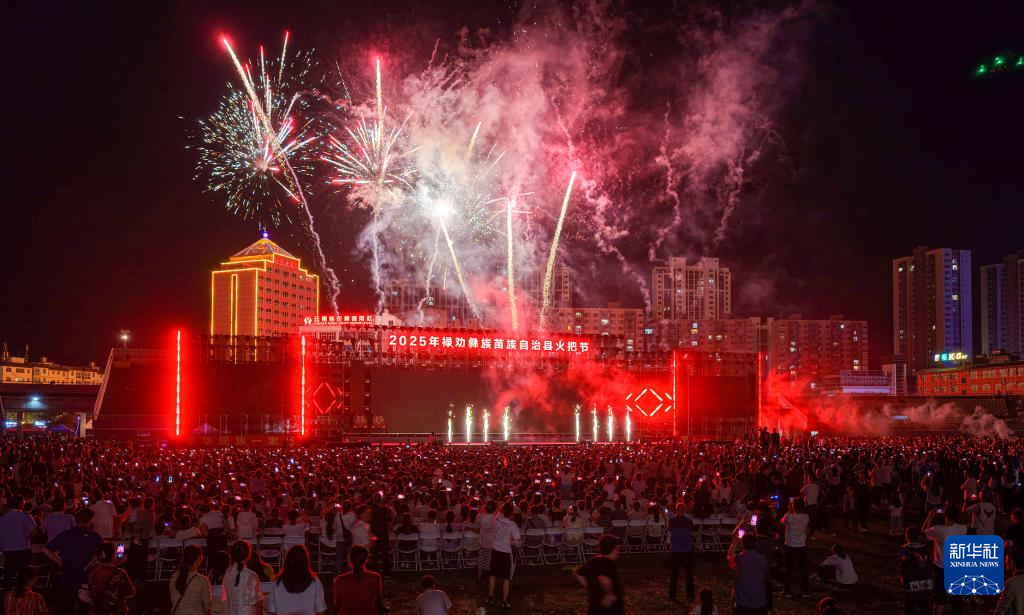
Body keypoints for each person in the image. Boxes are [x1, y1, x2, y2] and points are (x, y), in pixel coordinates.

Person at [45, 507, 104, 614]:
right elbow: (101, 554)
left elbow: (47, 549)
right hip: (85, 578)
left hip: (66, 576)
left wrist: (58, 560)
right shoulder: (94, 537)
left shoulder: (65, 534)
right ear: (90, 520)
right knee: (85, 608)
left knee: (65, 608)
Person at [923, 507, 966, 615]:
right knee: (957, 597)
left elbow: (924, 531)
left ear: (945, 516)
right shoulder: (963, 528)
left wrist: (930, 516)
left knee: (940, 597)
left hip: (941, 567)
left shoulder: (938, 529)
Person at [266, 545, 327, 615]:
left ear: (287, 561)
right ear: (306, 562)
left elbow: (271, 610)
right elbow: (320, 610)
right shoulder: (314, 582)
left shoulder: (277, 583)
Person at [573, 534, 624, 615]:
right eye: (618, 548)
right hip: (609, 608)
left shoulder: (592, 561)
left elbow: (577, 574)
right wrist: (609, 595)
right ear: (614, 549)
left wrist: (590, 586)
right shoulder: (608, 564)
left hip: (594, 606)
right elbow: (603, 579)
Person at [487, 502, 522, 610]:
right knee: (506, 578)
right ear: (512, 513)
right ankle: (504, 601)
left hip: (495, 550)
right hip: (506, 552)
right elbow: (517, 542)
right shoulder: (512, 525)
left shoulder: (496, 520)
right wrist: (511, 542)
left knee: (492, 574)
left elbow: (498, 512)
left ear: (502, 511)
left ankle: (490, 597)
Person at [86, 541, 136, 615]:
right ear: (113, 556)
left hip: (96, 610)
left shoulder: (92, 572)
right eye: (115, 553)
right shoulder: (119, 573)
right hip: (115, 611)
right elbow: (130, 595)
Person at [332, 545, 383, 615]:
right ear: (366, 559)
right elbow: (379, 601)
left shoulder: (339, 580)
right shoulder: (375, 577)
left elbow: (337, 606)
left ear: (349, 559)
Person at [0, 495, 37, 590]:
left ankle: (7, 592)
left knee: (9, 571)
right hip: (22, 548)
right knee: (24, 572)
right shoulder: (25, 516)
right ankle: (22, 593)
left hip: (7, 549)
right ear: (20, 504)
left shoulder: (2, 518)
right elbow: (33, 532)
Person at [729, 533, 769, 615]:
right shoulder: (762, 558)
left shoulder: (739, 559)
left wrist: (734, 543)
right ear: (755, 543)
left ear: (742, 544)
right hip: (759, 601)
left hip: (742, 602)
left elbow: (729, 557)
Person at [221, 540, 262, 615]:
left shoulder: (227, 574)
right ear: (248, 555)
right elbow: (254, 601)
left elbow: (225, 599)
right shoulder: (251, 575)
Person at [169, 545, 212, 615]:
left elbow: (173, 599)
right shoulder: (202, 580)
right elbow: (207, 607)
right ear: (198, 558)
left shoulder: (174, 577)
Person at [898, 528, 932, 615]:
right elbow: (929, 563)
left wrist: (903, 579)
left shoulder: (904, 549)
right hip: (925, 580)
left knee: (910, 606)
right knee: (925, 605)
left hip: (911, 580)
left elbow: (903, 565)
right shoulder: (925, 548)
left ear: (907, 536)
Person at [781, 498, 811, 598]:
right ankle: (806, 591)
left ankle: (787, 592)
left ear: (793, 506)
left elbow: (782, 521)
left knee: (788, 570)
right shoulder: (806, 517)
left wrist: (789, 510)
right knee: (803, 570)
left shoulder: (789, 516)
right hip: (801, 546)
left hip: (790, 546)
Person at [668, 502, 695, 601]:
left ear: (676, 510)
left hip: (676, 550)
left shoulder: (672, 521)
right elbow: (691, 530)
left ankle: (672, 594)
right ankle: (690, 594)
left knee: (674, 574)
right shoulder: (688, 521)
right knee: (688, 574)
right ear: (684, 511)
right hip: (686, 550)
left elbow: (670, 530)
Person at [995, 548, 1024, 615]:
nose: (1005, 563)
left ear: (1012, 562)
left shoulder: (1011, 584)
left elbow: (1000, 611)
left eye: (1006, 559)